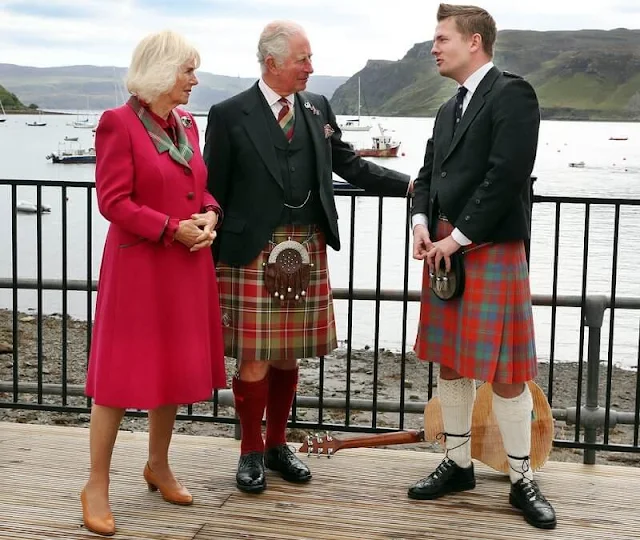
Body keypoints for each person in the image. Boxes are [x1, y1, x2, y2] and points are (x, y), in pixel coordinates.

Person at [203, 20, 411, 494]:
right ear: (272, 62)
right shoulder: (230, 113)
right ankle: (250, 451)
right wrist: (205, 245)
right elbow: (213, 188)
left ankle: (278, 445)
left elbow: (350, 163)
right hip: (251, 248)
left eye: (310, 59)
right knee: (254, 357)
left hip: (306, 243)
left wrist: (408, 185)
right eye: (303, 60)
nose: (310, 69)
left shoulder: (317, 108)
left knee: (288, 354)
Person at [409, 3, 557, 530]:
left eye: (442, 37)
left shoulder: (511, 94)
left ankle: (521, 478)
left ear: (474, 41)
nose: (434, 47)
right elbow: (426, 174)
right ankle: (458, 463)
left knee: (507, 372)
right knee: (450, 361)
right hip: (446, 247)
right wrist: (422, 223)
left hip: (487, 248)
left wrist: (461, 237)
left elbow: (508, 172)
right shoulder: (449, 108)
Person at [81, 30, 226, 536]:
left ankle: (157, 465)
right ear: (162, 72)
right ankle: (95, 484)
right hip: (140, 268)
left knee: (170, 369)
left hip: (186, 263)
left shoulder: (186, 122)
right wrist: (171, 228)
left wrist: (209, 214)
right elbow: (113, 201)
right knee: (118, 379)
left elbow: (199, 185)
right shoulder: (117, 124)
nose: (195, 80)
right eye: (188, 70)